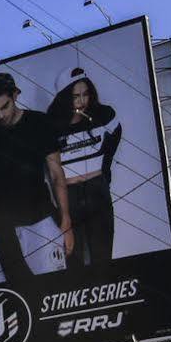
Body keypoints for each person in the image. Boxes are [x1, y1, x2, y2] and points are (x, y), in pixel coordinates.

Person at [0, 71, 71, 289]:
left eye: (5, 107)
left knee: (52, 289)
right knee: (2, 295)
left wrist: (66, 220)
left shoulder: (40, 123)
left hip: (39, 220)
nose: (1, 116)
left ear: (16, 95)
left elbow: (56, 174)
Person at [46, 68, 122, 268]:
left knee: (103, 259)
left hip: (97, 190)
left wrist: (104, 172)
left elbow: (113, 141)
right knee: (73, 261)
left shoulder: (104, 115)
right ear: (64, 98)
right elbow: (51, 172)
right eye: (75, 96)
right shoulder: (51, 127)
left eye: (85, 94)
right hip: (69, 195)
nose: (81, 101)